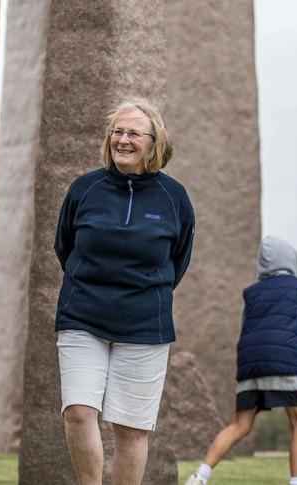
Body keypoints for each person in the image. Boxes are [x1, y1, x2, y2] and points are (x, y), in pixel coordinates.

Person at [53, 97, 195, 485]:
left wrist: (143, 292)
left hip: (145, 326)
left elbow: (177, 260)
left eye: (134, 133)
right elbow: (65, 246)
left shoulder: (174, 197)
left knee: (130, 428)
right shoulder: (85, 188)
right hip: (82, 317)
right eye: (117, 131)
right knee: (79, 412)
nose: (123, 140)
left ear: (154, 141)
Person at [184, 236, 297, 485]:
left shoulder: (251, 293)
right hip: (284, 363)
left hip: (249, 366)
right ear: (292, 261)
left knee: (240, 425)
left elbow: (245, 328)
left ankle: (200, 476)